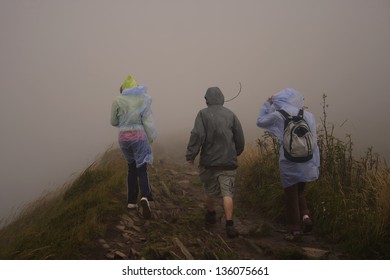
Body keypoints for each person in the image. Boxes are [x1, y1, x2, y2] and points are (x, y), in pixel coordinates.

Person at [256, 88, 320, 240]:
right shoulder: (308, 116)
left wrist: (267, 103)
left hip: (289, 161)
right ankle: (305, 217)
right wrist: (315, 163)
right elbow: (314, 141)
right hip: (307, 160)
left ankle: (295, 230)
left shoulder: (279, 115)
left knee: (290, 194)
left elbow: (260, 121)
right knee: (300, 192)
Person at [186, 87, 245, 238]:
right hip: (228, 162)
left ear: (207, 99)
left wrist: (191, 155)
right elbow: (240, 137)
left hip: (208, 162)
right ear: (222, 98)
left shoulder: (202, 114)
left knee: (209, 191)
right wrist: (235, 152)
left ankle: (211, 215)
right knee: (228, 193)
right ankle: (230, 225)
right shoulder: (231, 114)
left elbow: (197, 134)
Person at [110, 75, 157, 219]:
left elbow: (113, 121)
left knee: (131, 168)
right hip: (139, 136)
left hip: (123, 138)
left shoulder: (117, 100)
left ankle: (131, 201)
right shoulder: (143, 99)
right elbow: (148, 121)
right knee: (142, 167)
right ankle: (146, 197)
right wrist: (151, 137)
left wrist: (124, 124)